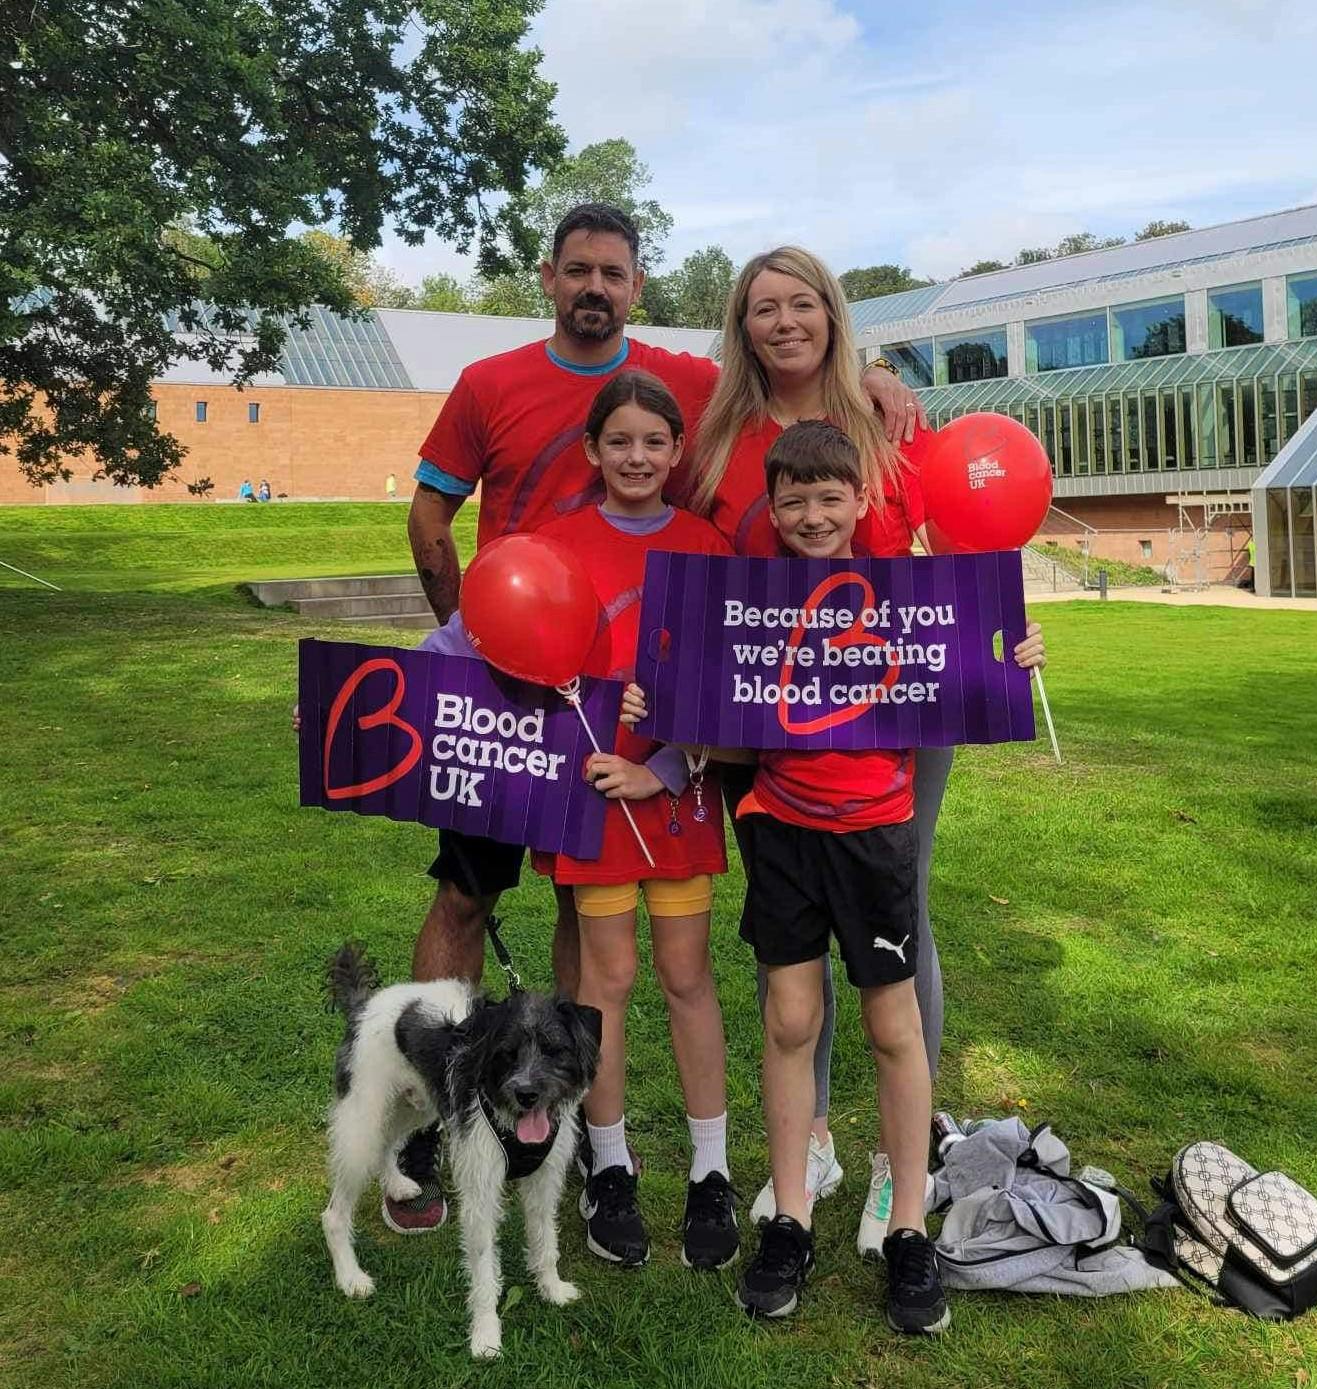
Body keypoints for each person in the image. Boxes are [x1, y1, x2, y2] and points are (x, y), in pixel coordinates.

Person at [396, 206, 922, 1232]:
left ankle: (625, 1144)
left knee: (635, 956)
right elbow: (430, 517)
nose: (595, 286)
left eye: (615, 273)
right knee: (474, 904)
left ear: (638, 286)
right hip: (515, 687)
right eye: (578, 270)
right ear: (548, 278)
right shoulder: (489, 384)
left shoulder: (686, 387)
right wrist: (454, 664)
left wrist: (876, 372)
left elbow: (789, 378)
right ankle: (454, 1116)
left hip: (649, 737)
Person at [686, 246, 1046, 1254]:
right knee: (787, 926)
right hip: (765, 708)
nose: (785, 322)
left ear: (833, 315)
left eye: (804, 303)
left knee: (898, 903)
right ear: (740, 323)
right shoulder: (713, 432)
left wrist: (999, 645)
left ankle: (901, 1159)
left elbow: (951, 561)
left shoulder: (891, 417)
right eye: (764, 307)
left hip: (895, 709)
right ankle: (814, 1148)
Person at [730, 420, 947, 1332]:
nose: (812, 515)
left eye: (829, 497)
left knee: (891, 1023)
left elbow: (967, 661)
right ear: (770, 507)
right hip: (779, 828)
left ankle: (906, 1227)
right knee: (788, 1017)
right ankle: (790, 1213)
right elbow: (709, 711)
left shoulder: (901, 595)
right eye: (794, 499)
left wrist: (1012, 654)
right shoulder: (751, 603)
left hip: (874, 831)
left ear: (862, 501)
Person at [533, 371, 736, 1271]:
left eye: (655, 441)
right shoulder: (556, 545)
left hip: (676, 797)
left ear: (677, 450)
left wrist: (661, 769)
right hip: (591, 798)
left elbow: (738, 687)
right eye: (619, 441)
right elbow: (478, 642)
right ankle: (607, 1165)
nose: (637, 457)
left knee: (686, 977)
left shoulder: (708, 546)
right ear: (591, 450)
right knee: (603, 984)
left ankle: (710, 1168)